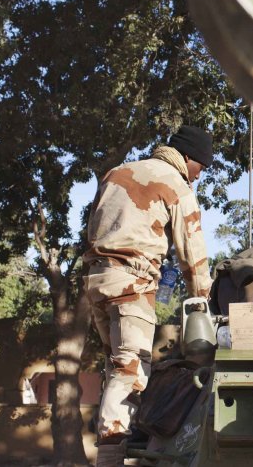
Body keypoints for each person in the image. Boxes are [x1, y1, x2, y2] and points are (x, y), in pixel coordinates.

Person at [83, 125, 215, 467]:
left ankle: (111, 450)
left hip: (96, 281)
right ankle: (109, 460)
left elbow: (93, 226)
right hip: (132, 285)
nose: (199, 176)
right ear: (188, 158)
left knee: (116, 370)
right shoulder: (175, 183)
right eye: (202, 166)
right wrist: (206, 304)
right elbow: (193, 254)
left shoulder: (117, 172)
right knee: (130, 372)